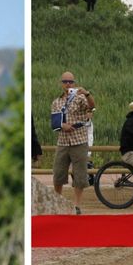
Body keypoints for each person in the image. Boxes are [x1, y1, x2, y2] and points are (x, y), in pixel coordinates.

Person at [48, 72, 95, 214]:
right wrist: (63, 126)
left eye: (70, 82)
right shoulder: (56, 102)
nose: (68, 84)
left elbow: (92, 106)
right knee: (58, 173)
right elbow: (55, 123)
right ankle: (58, 202)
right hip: (62, 141)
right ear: (61, 84)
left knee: (80, 174)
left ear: (74, 83)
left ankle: (76, 205)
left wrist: (86, 93)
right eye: (65, 82)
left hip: (79, 140)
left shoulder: (80, 98)